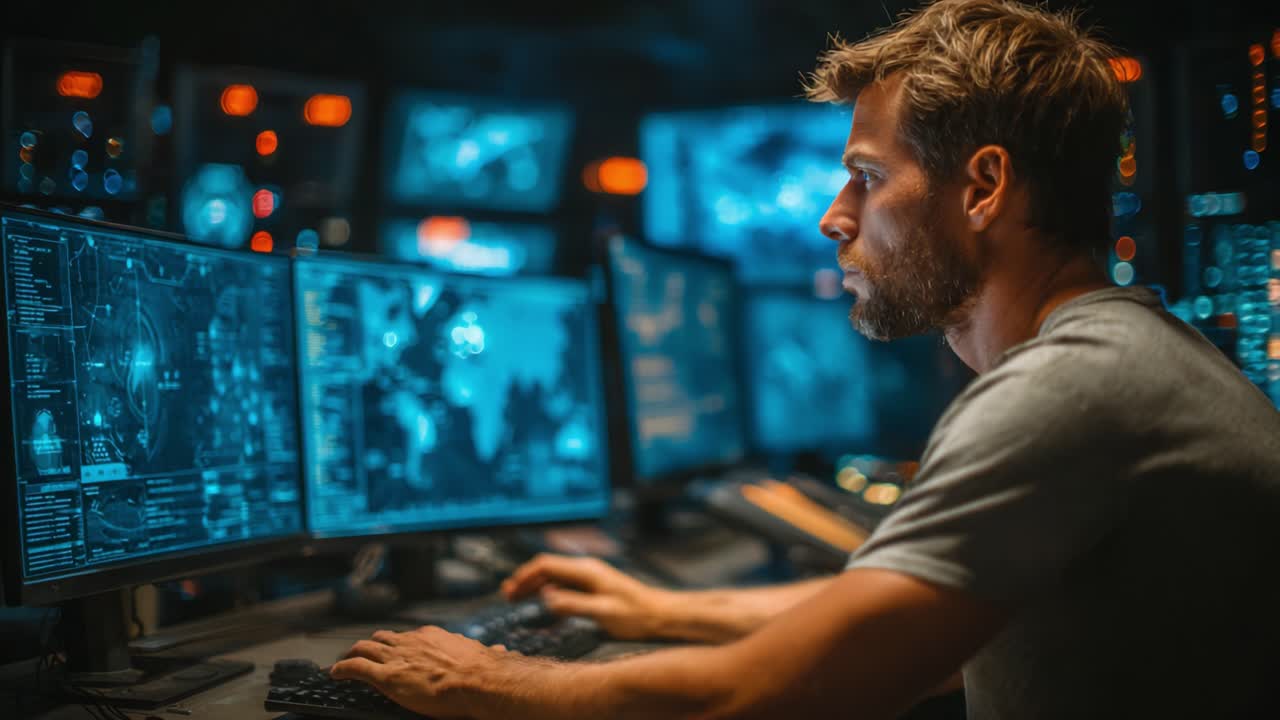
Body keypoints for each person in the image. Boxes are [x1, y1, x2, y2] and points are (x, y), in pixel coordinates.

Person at [331, 1, 1280, 717]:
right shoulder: (1133, 354)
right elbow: (916, 627)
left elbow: (783, 693)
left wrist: (505, 683)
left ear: (983, 186)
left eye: (867, 177)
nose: (834, 216)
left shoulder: (1073, 389)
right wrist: (660, 610)